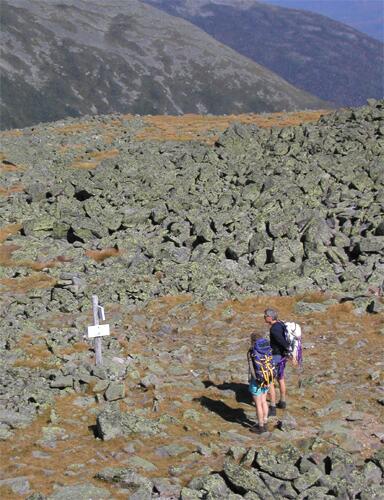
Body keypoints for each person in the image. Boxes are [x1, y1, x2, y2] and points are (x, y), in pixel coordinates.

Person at [264, 308, 290, 416]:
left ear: (270, 317)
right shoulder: (281, 324)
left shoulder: (274, 329)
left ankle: (273, 407)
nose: (264, 318)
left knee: (270, 381)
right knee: (281, 378)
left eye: (265, 316)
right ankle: (283, 401)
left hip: (275, 356)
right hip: (282, 357)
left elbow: (281, 340)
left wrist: (286, 348)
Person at [247, 332, 272, 434]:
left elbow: (252, 368)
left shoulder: (251, 352)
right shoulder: (267, 349)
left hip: (257, 380)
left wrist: (253, 379)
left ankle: (260, 426)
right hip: (267, 378)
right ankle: (265, 421)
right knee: (264, 401)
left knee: (258, 404)